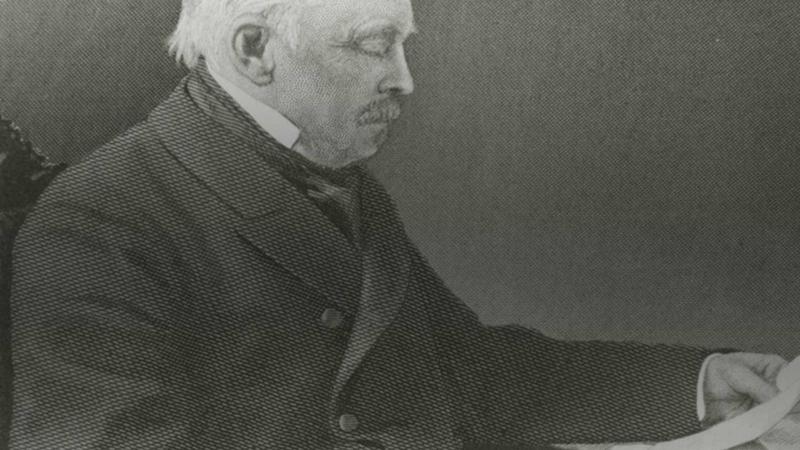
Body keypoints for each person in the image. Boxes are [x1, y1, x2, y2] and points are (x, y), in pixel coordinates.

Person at [9, 0, 788, 448]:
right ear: (254, 49)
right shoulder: (97, 225)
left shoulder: (342, 181)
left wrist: (692, 386)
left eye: (403, 47)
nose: (404, 81)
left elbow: (465, 373)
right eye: (374, 47)